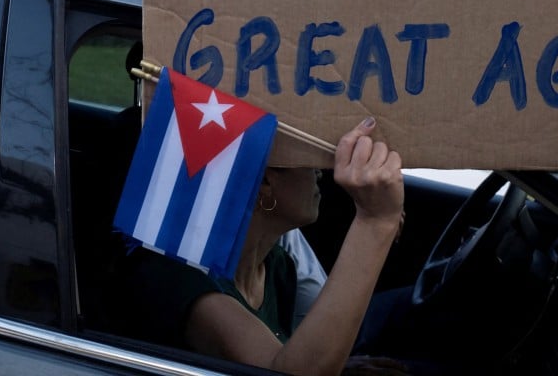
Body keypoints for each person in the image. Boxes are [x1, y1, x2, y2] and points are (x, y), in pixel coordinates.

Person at [120, 116, 404, 375]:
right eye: (305, 159)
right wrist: (375, 222)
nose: (319, 171)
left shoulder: (277, 265)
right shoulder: (180, 278)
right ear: (265, 182)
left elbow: (282, 355)